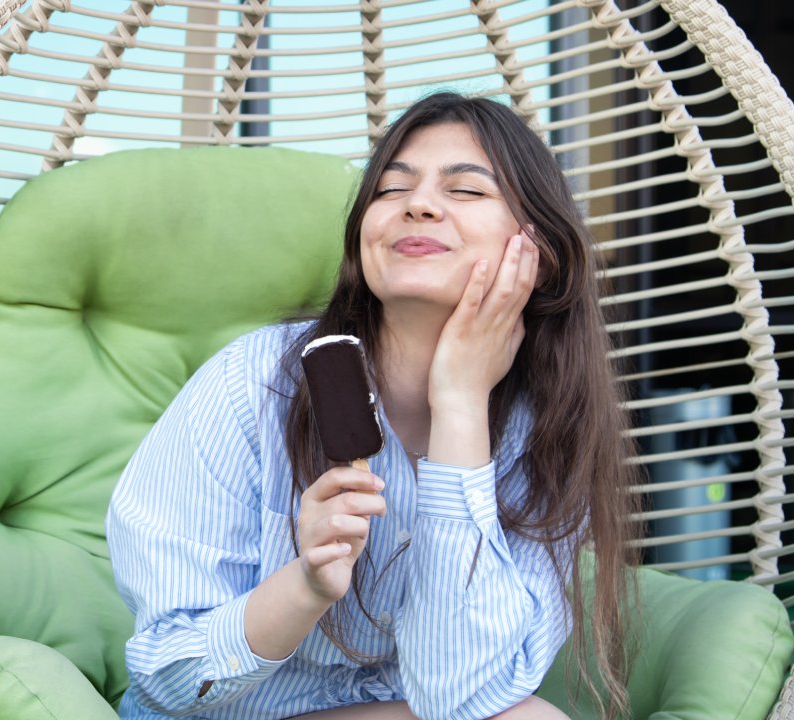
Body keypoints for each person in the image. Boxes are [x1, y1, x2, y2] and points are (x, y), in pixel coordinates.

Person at [107, 92, 642, 720]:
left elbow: (462, 696)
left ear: (539, 253)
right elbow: (170, 677)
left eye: (466, 191)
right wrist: (305, 585)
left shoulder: (545, 428)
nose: (417, 204)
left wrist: (461, 406)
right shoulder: (253, 384)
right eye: (391, 189)